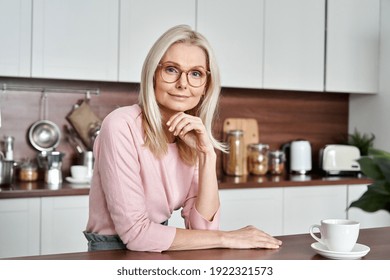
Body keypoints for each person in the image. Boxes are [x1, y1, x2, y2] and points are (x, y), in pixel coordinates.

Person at [84, 25, 282, 252]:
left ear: (206, 85)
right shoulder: (121, 124)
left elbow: (203, 231)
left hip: (159, 249)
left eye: (196, 73)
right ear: (153, 75)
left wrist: (207, 155)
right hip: (112, 255)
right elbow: (137, 235)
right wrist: (227, 238)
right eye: (171, 69)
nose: (183, 83)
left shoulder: (190, 137)